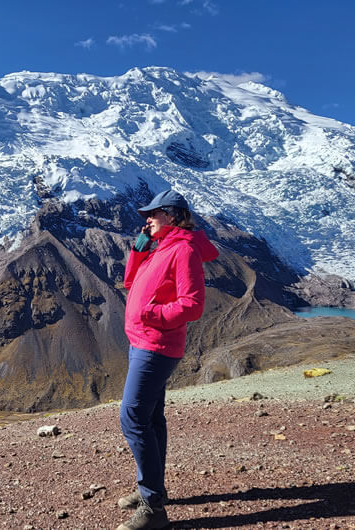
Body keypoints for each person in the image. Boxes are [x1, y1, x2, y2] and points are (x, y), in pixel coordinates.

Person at [116, 189, 219, 530]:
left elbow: (192, 305)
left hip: (156, 346)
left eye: (154, 213)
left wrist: (151, 315)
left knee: (132, 418)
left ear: (173, 215)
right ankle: (154, 489)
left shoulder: (184, 249)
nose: (147, 218)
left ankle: (153, 508)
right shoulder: (162, 247)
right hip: (142, 342)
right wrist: (138, 248)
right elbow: (131, 282)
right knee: (152, 418)